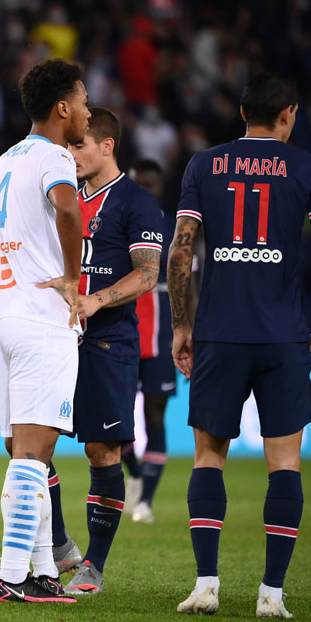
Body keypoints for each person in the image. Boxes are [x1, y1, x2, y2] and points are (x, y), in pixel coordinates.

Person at [170, 72, 311, 619]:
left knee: (208, 456)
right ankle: (272, 595)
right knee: (284, 462)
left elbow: (180, 252)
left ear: (243, 112)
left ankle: (206, 586)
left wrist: (181, 325)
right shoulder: (308, 168)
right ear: (289, 114)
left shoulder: (204, 165)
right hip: (282, 336)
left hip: (219, 333)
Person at [0, 58, 86, 604]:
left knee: (24, 454)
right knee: (34, 455)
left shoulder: (4, 162)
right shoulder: (57, 157)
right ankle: (12, 577)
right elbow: (68, 210)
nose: (87, 113)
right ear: (63, 108)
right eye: (83, 102)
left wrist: (11, 268)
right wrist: (71, 280)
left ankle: (41, 571)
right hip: (40, 319)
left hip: (1, 318)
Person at [52, 107, 163, 596]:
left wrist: (96, 299)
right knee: (29, 442)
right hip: (56, 335)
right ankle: (59, 544)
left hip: (109, 339)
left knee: (102, 451)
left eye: (78, 144)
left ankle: (93, 565)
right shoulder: (61, 196)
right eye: (68, 145)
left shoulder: (136, 201)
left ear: (106, 145)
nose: (70, 153)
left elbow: (148, 273)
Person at [121, 158, 178, 524]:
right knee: (117, 418)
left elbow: (189, 284)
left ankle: (145, 501)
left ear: (159, 187)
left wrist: (190, 330)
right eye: (139, 184)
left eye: (151, 185)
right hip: (122, 332)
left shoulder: (175, 229)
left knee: (155, 414)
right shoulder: (118, 221)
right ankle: (136, 475)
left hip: (161, 338)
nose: (145, 191)